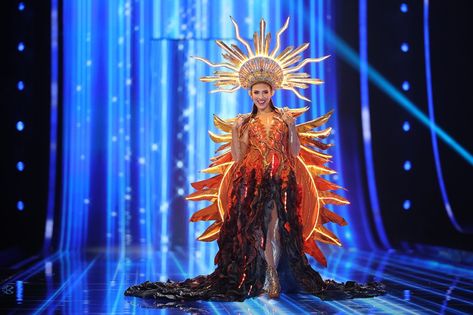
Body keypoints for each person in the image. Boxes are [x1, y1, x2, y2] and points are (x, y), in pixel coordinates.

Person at [125, 17, 385, 302]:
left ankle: (272, 274)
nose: (261, 96)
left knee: (275, 227)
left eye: (265, 91)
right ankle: (263, 276)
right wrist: (236, 132)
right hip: (251, 181)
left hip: (280, 179)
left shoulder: (283, 119)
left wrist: (293, 126)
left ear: (272, 92)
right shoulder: (246, 123)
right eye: (256, 92)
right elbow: (237, 158)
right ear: (250, 93)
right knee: (256, 229)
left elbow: (295, 152)